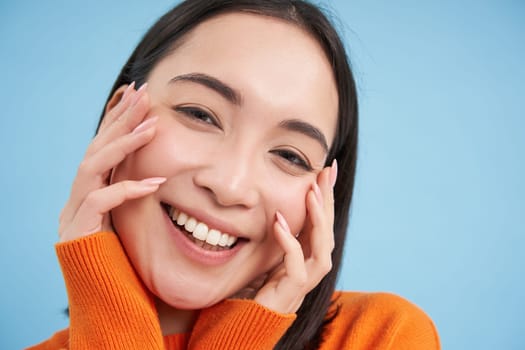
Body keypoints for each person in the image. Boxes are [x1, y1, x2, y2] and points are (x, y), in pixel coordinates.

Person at [28, 0, 440, 349]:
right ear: (117, 118)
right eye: (200, 114)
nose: (230, 187)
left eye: (290, 155)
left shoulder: (381, 336)